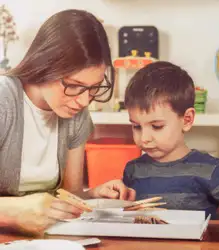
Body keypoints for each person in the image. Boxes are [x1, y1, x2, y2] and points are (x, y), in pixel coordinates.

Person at [0, 9, 135, 234]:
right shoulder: (4, 102)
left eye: (93, 88)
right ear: (46, 64)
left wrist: (91, 195)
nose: (83, 101)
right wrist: (12, 211)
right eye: (74, 85)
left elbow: (69, 194)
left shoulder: (75, 116)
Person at [122, 60, 219, 221]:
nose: (144, 138)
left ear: (187, 120)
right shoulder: (133, 170)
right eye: (136, 127)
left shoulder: (208, 169)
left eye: (156, 126)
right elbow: (125, 215)